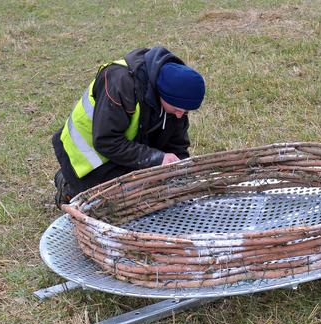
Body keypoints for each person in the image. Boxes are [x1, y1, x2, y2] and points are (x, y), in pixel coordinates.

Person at [51, 46, 205, 207]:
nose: (180, 115)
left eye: (186, 111)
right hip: (87, 158)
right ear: (162, 94)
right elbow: (106, 141)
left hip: (125, 153)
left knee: (152, 197)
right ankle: (68, 184)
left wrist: (180, 171)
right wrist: (157, 159)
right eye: (177, 109)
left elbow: (177, 145)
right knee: (116, 206)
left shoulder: (176, 101)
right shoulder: (120, 82)